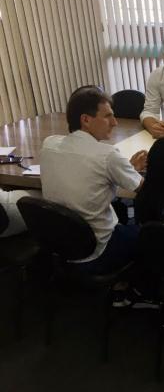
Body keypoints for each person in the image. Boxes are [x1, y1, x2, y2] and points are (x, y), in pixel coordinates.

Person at [40, 87, 148, 275]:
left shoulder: (49, 144)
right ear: (86, 120)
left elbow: (86, 171)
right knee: (151, 235)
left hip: (62, 249)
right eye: (108, 116)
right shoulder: (107, 156)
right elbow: (146, 190)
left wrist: (127, 168)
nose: (114, 122)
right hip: (99, 251)